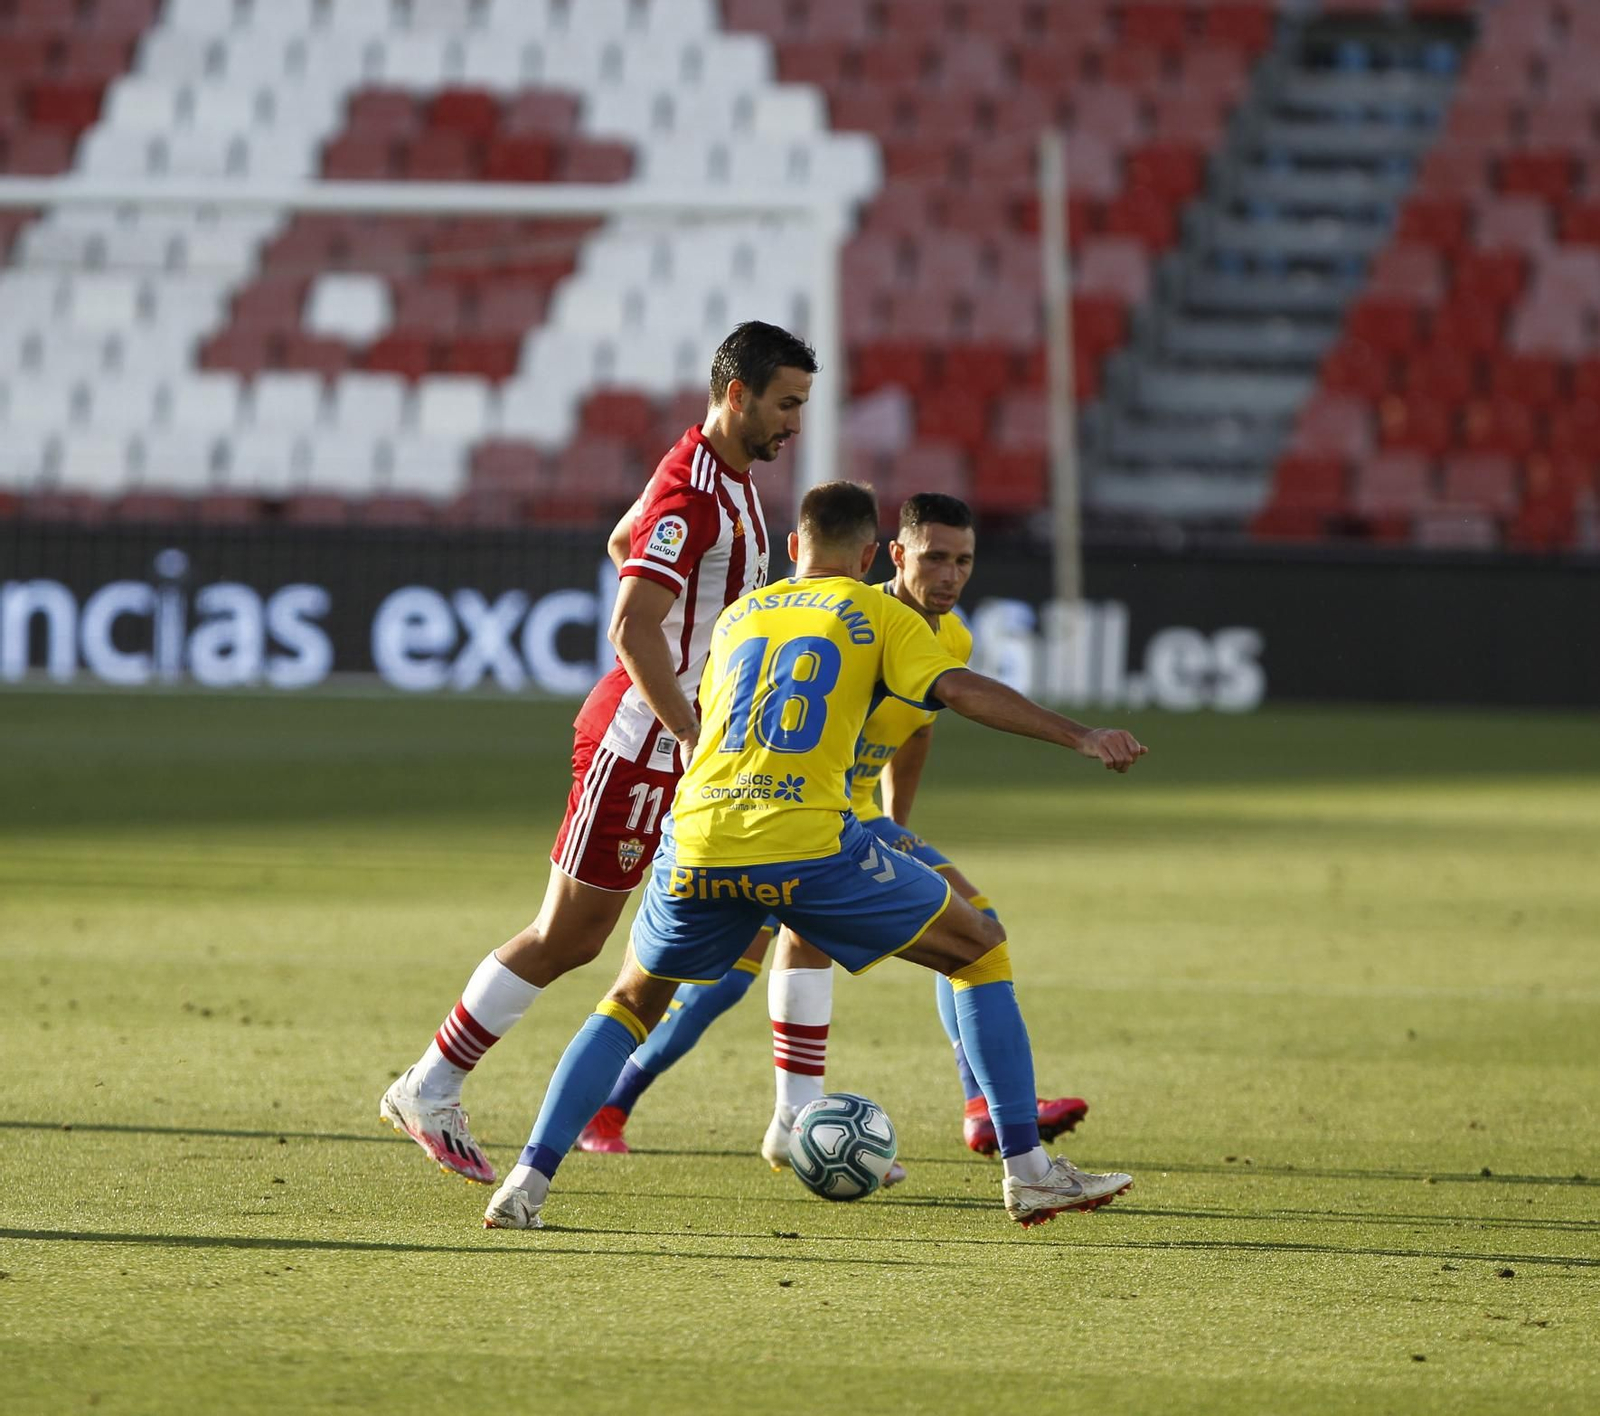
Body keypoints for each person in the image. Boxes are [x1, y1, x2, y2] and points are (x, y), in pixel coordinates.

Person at [481, 479, 1147, 1231]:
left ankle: (527, 1181)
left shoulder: (740, 614)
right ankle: (1028, 1172)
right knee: (980, 949)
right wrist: (1081, 735)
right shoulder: (881, 612)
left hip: (696, 831)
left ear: (793, 548)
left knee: (632, 1000)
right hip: (805, 838)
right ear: (874, 556)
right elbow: (957, 692)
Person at [380, 321, 818, 1185]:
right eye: (785, 403)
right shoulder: (698, 494)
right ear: (737, 394)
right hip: (642, 746)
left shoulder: (713, 478)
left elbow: (626, 544)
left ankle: (788, 1107)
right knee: (569, 936)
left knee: (752, 915)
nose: (795, 423)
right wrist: (693, 731)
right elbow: (630, 623)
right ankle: (430, 1084)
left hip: (684, 747)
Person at [572, 493, 1090, 1169]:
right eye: (935, 558)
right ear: (893, 557)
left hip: (858, 822)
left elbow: (915, 734)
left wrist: (897, 828)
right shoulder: (852, 622)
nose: (950, 575)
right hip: (783, 817)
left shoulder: (949, 638)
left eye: (963, 561)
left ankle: (977, 1108)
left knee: (971, 926)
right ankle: (620, 1101)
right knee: (728, 978)